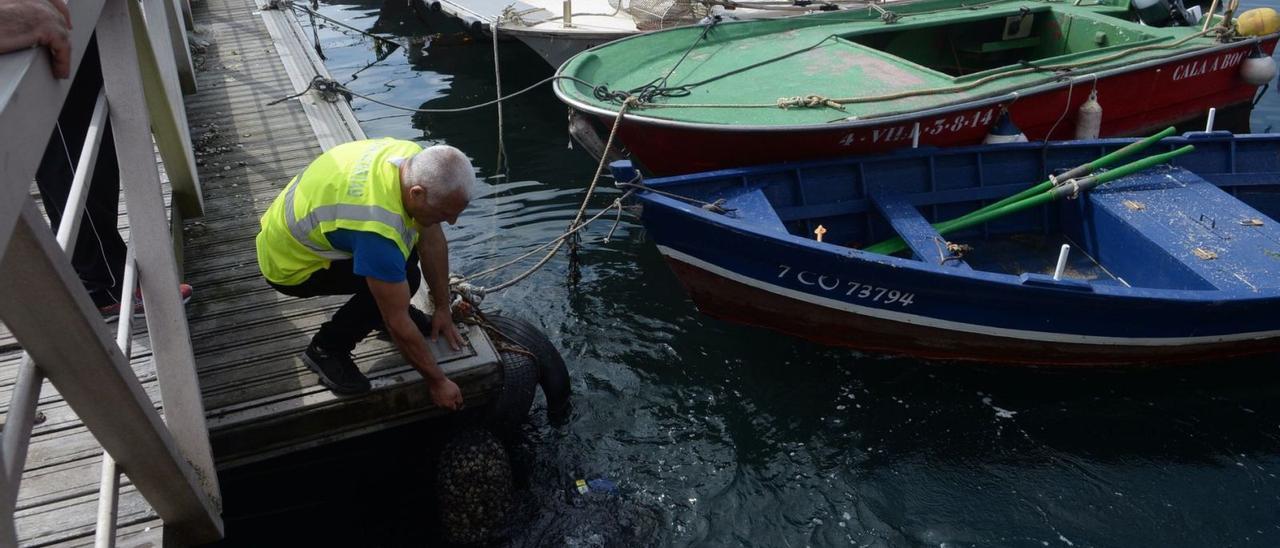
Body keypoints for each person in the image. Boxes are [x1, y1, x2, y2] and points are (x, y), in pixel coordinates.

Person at [2, 0, 192, 319]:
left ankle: (100, 272)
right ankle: (104, 284)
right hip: (26, 41)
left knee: (94, 140)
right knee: (72, 151)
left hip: (54, 17)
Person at [255, 139, 473, 409]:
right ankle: (326, 349)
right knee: (399, 280)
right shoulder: (376, 229)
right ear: (416, 193)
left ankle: (375, 314)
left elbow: (431, 238)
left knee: (403, 268)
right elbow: (398, 321)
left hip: (301, 229)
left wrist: (443, 308)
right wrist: (438, 382)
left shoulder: (413, 159)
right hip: (289, 264)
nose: (451, 222)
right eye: (444, 213)